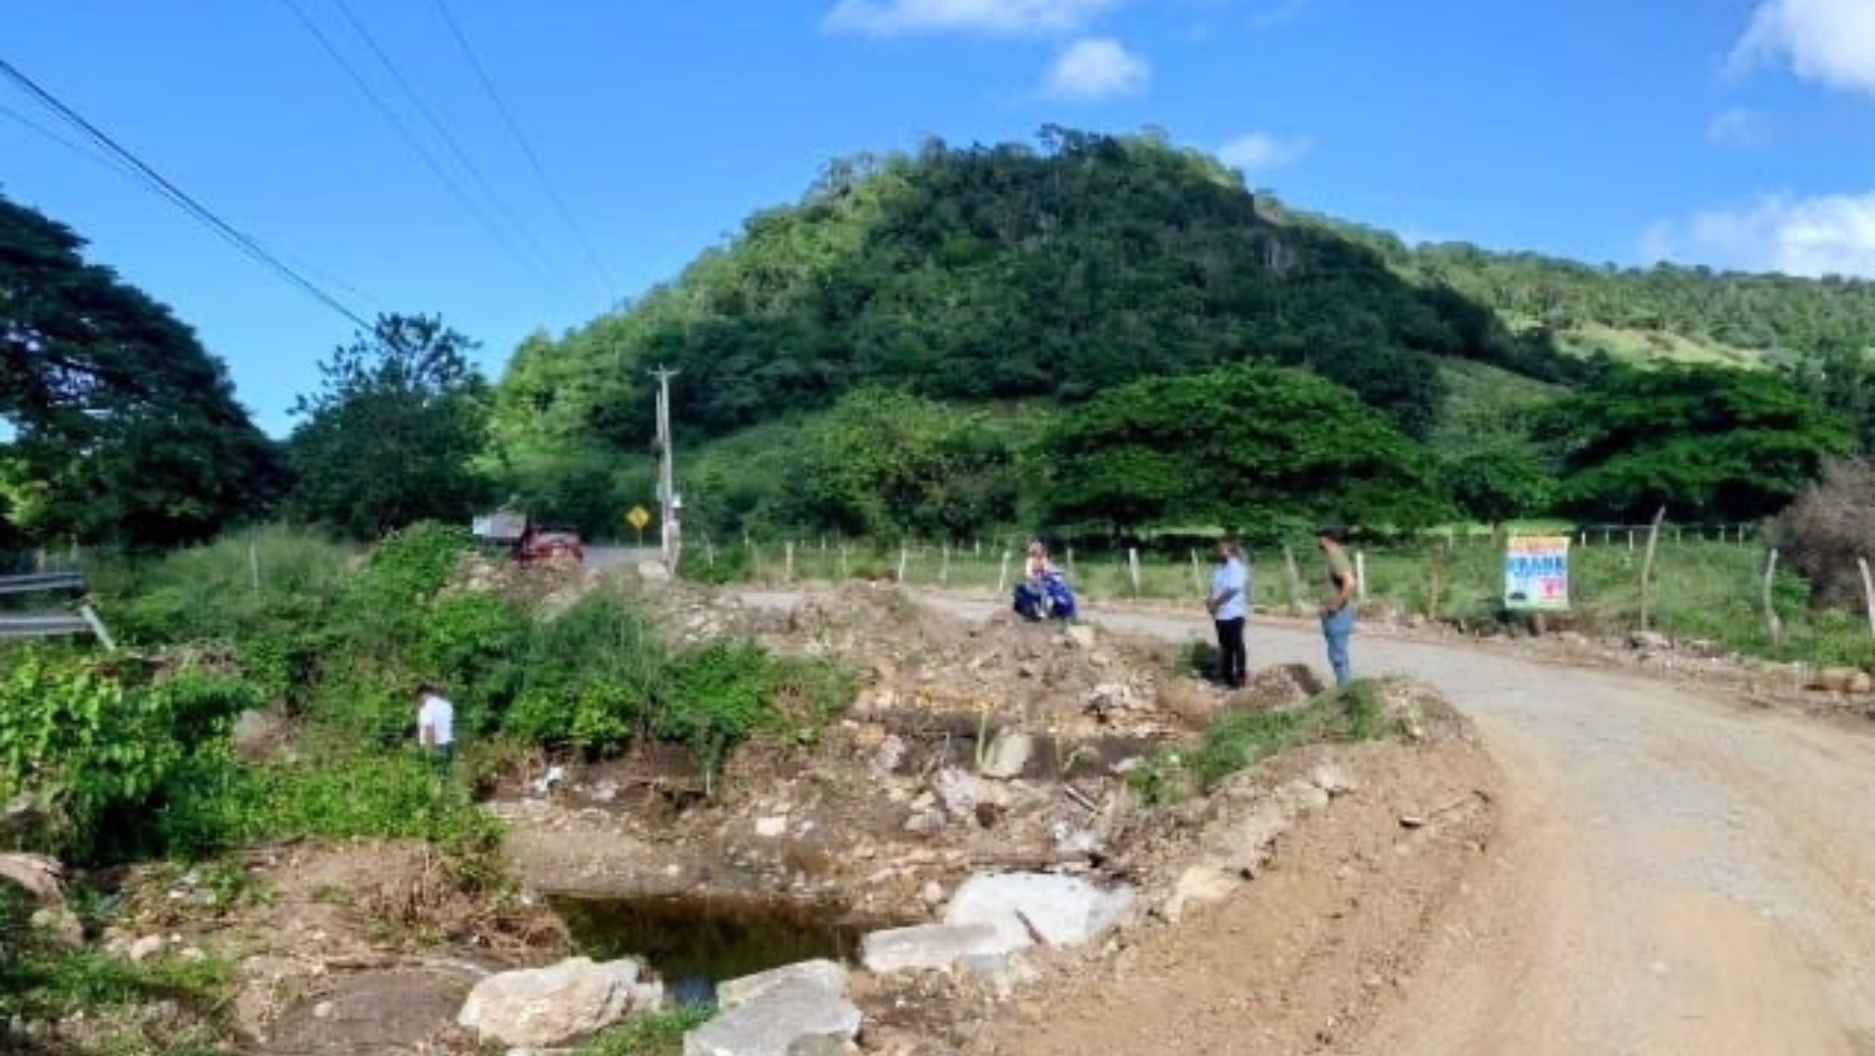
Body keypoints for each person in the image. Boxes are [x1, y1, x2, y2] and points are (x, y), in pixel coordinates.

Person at [1317, 527, 1358, 686]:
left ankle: (1344, 691)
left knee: (1338, 656)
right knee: (1337, 654)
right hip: (1338, 613)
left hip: (1338, 614)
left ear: (1327, 539)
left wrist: (1334, 606)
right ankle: (1344, 689)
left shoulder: (1336, 557)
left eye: (1320, 537)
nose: (1318, 540)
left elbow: (1350, 583)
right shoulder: (1335, 556)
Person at [1206, 538, 1249, 688]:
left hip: (1234, 613)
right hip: (1220, 614)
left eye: (1221, 550)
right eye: (1217, 549)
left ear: (1229, 551)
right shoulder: (1219, 567)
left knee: (1236, 645)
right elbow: (1212, 586)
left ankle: (1241, 677)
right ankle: (1227, 677)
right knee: (1225, 646)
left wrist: (1215, 603)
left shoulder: (1237, 567)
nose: (1217, 552)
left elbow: (1233, 590)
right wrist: (1209, 600)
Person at [415, 683, 456, 777]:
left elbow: (429, 729)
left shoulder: (425, 708)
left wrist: (429, 752)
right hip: (449, 745)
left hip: (434, 746)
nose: (419, 700)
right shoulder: (447, 705)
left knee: (433, 777)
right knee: (446, 775)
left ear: (423, 694)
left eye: (419, 698)